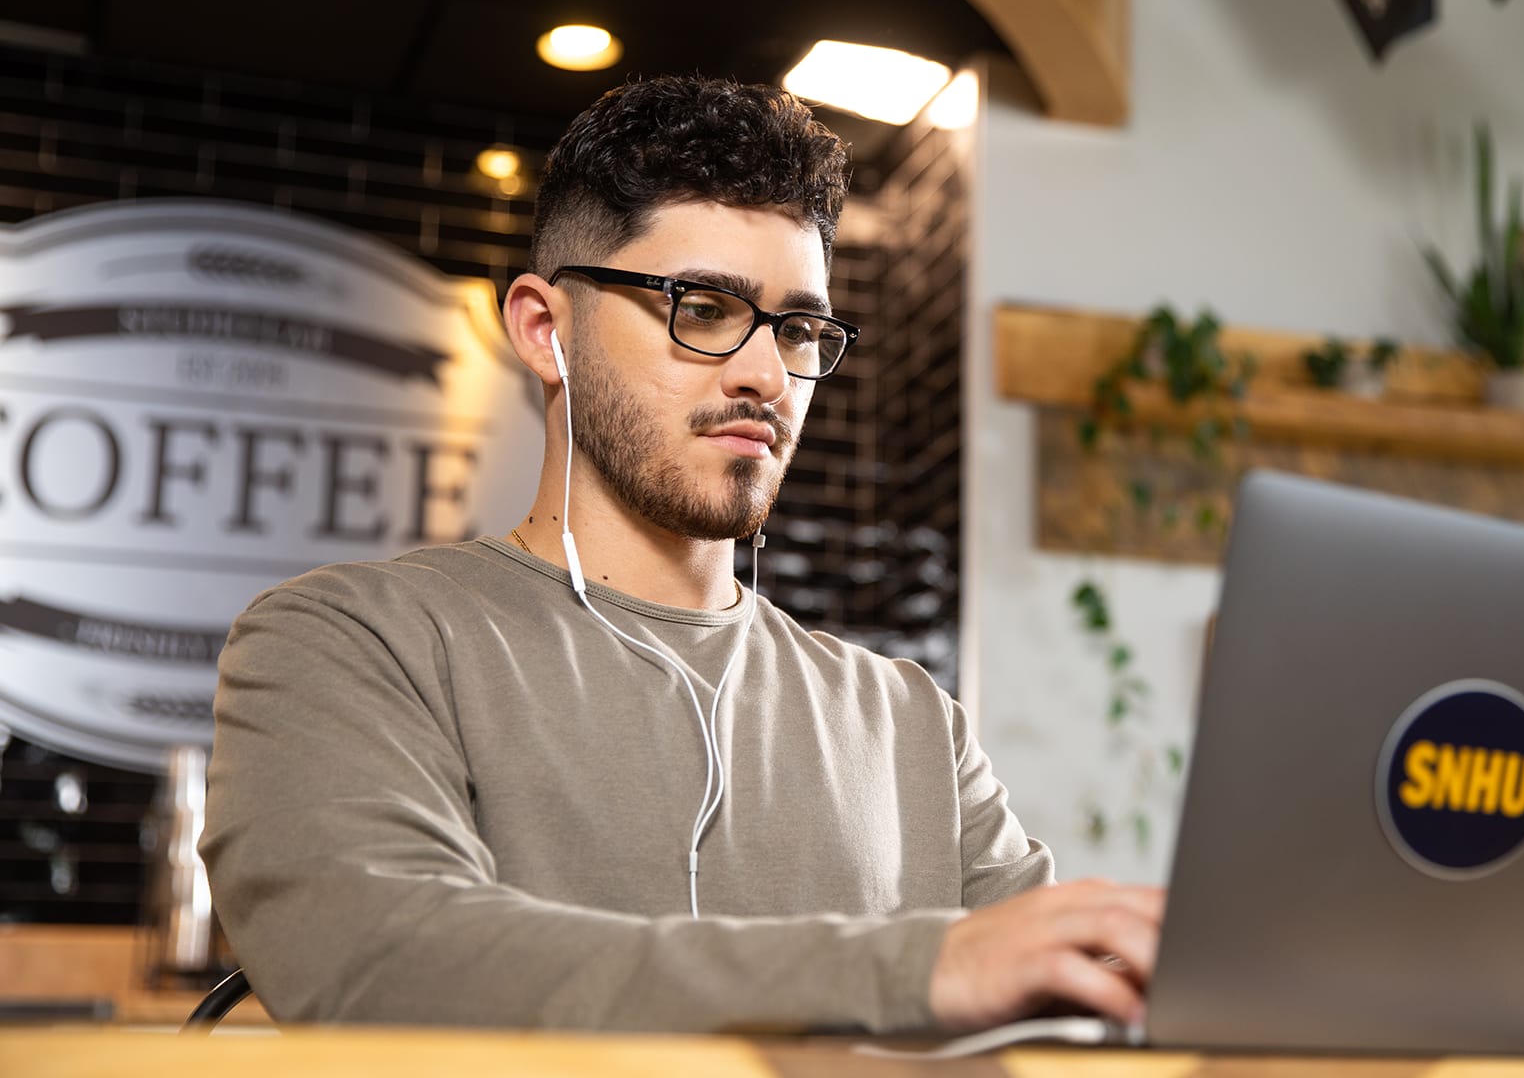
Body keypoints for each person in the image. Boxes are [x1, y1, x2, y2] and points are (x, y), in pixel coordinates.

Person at [201, 75, 1162, 1034]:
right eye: (702, 308)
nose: (763, 374)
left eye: (798, 329)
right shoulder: (348, 641)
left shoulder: (914, 725)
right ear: (547, 330)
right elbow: (383, 965)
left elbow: (1071, 1006)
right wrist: (914, 965)